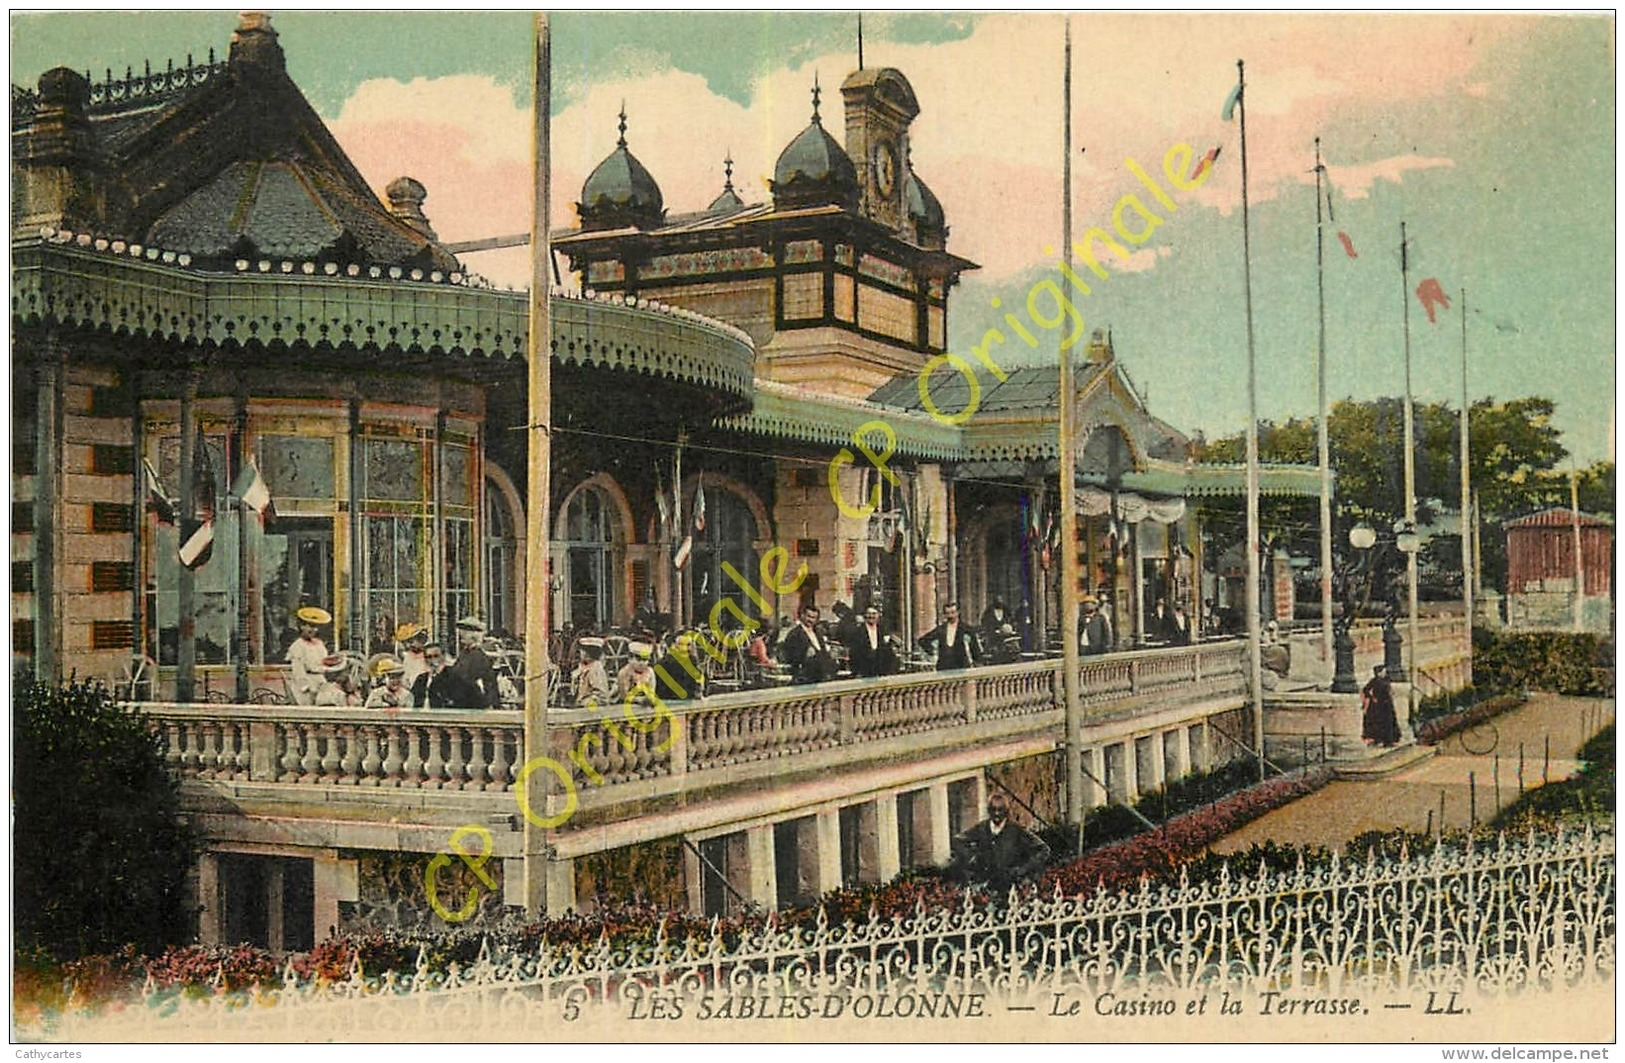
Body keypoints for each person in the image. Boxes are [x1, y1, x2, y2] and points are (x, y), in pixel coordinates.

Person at [947, 793, 1052, 894]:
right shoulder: (982, 828)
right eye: (993, 810)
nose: (996, 813)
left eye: (1000, 810)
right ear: (989, 811)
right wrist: (972, 857)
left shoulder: (1016, 830)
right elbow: (957, 840)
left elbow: (1043, 849)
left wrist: (1022, 869)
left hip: (1011, 885)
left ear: (1006, 811)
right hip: (986, 884)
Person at [446, 616, 503, 709]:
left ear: (474, 635)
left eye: (465, 631)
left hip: (473, 703)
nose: (461, 634)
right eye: (462, 631)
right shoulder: (465, 653)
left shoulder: (478, 656)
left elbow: (470, 680)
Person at [285, 606, 332, 705]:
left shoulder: (319, 644)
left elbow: (324, 663)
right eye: (309, 626)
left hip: (320, 681)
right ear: (301, 627)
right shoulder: (298, 646)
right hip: (307, 683)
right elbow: (298, 670)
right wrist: (306, 686)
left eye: (315, 627)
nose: (313, 630)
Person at [779, 604, 836, 684]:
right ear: (802, 615)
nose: (811, 620)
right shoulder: (795, 634)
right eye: (809, 616)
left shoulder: (818, 632)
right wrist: (805, 653)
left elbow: (823, 652)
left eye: (814, 618)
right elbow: (789, 656)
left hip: (821, 675)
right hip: (805, 676)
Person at [919, 601, 978, 670]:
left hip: (962, 667)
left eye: (953, 612)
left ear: (958, 612)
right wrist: (933, 651)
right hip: (944, 668)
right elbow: (923, 640)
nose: (950, 616)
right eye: (947, 613)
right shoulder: (940, 630)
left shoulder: (966, 629)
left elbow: (975, 650)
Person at [847, 605, 899, 678]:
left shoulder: (883, 630)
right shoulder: (857, 631)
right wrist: (856, 671)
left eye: (874, 614)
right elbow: (854, 653)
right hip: (864, 672)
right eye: (869, 613)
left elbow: (888, 651)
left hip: (881, 672)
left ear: (878, 615)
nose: (871, 616)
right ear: (865, 615)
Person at [1361, 664, 1401, 747]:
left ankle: (1389, 741)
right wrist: (1372, 697)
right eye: (1383, 671)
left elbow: (1389, 690)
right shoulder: (1375, 681)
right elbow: (1366, 689)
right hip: (1378, 705)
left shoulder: (1386, 680)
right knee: (1380, 723)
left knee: (1389, 722)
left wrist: (1391, 694)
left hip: (1387, 704)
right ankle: (1380, 740)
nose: (1384, 673)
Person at [572, 636, 613, 708]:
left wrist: (589, 700)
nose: (580, 653)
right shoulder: (582, 666)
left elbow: (601, 693)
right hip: (581, 700)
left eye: (583, 651)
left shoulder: (596, 669)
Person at [396, 622, 430, 691]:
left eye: (411, 642)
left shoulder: (431, 653)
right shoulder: (408, 657)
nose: (409, 646)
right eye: (405, 643)